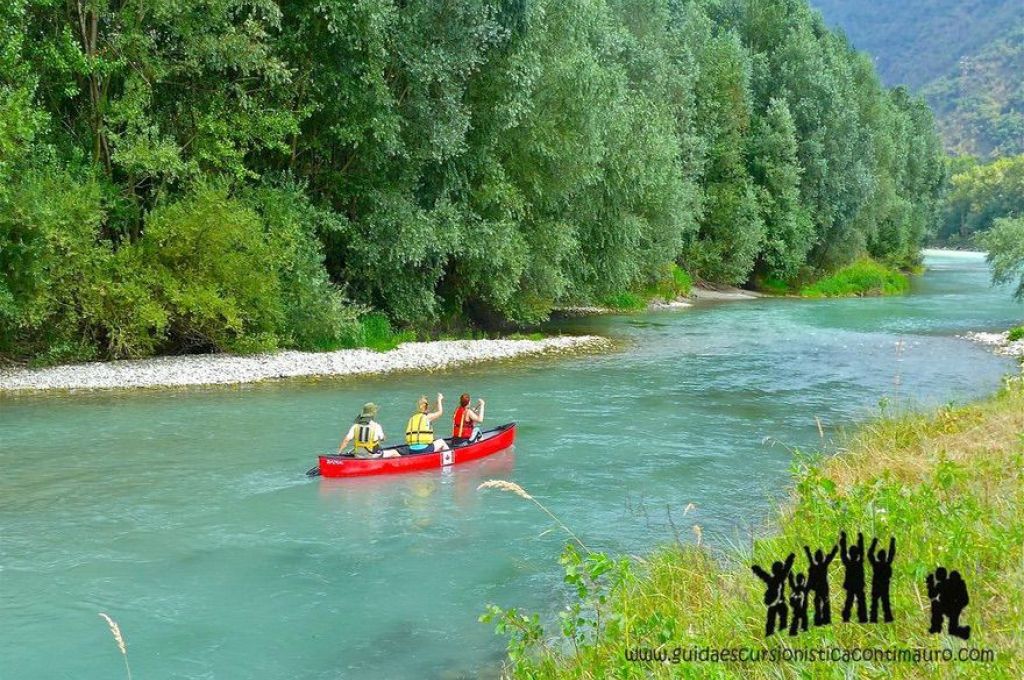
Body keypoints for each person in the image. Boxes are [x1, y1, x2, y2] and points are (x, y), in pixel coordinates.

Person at [752, 552, 795, 636]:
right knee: (783, 620)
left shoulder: (770, 579)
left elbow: (762, 574)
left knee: (770, 622)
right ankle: (782, 633)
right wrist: (791, 558)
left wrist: (756, 569)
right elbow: (787, 567)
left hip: (772, 605)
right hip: (781, 603)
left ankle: (770, 633)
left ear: (773, 570)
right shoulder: (782, 578)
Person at [805, 543, 839, 626]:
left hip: (818, 588)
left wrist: (807, 551)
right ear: (822, 557)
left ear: (815, 558)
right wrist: (835, 549)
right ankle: (827, 620)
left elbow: (810, 558)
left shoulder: (814, 565)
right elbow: (831, 556)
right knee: (825, 603)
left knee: (817, 603)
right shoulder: (824, 564)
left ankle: (818, 620)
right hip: (824, 587)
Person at [840, 531, 868, 623]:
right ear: (857, 554)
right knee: (861, 602)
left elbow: (843, 553)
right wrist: (861, 540)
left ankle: (846, 617)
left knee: (849, 602)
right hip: (858, 586)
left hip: (851, 586)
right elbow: (862, 551)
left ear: (850, 554)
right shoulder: (859, 562)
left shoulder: (848, 563)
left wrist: (843, 539)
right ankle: (862, 618)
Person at [867, 536, 896, 623]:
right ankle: (888, 618)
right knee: (885, 603)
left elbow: (870, 554)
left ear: (878, 557)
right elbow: (891, 553)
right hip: (884, 587)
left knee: (875, 604)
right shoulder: (887, 564)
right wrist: (892, 542)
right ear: (884, 557)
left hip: (876, 586)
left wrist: (874, 542)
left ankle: (873, 618)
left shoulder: (876, 564)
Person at [788, 572, 810, 636]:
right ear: (803, 580)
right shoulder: (804, 588)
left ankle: (794, 631)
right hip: (802, 608)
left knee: (796, 619)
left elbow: (791, 583)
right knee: (803, 618)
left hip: (797, 608)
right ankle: (803, 629)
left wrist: (790, 576)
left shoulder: (795, 588)